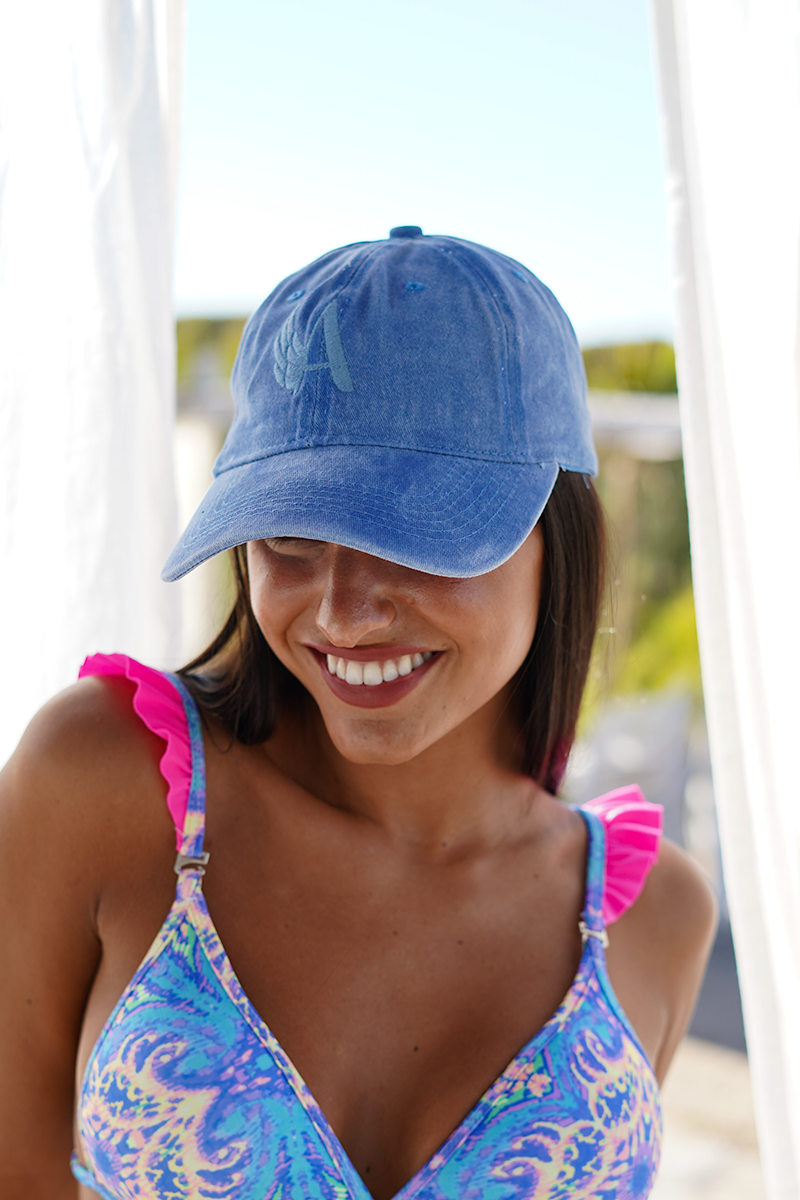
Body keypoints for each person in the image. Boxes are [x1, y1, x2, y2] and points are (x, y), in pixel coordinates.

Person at [0, 227, 716, 1200]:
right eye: (290, 532)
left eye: (415, 533)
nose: (342, 613)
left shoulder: (656, 919)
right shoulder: (100, 784)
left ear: (559, 532)